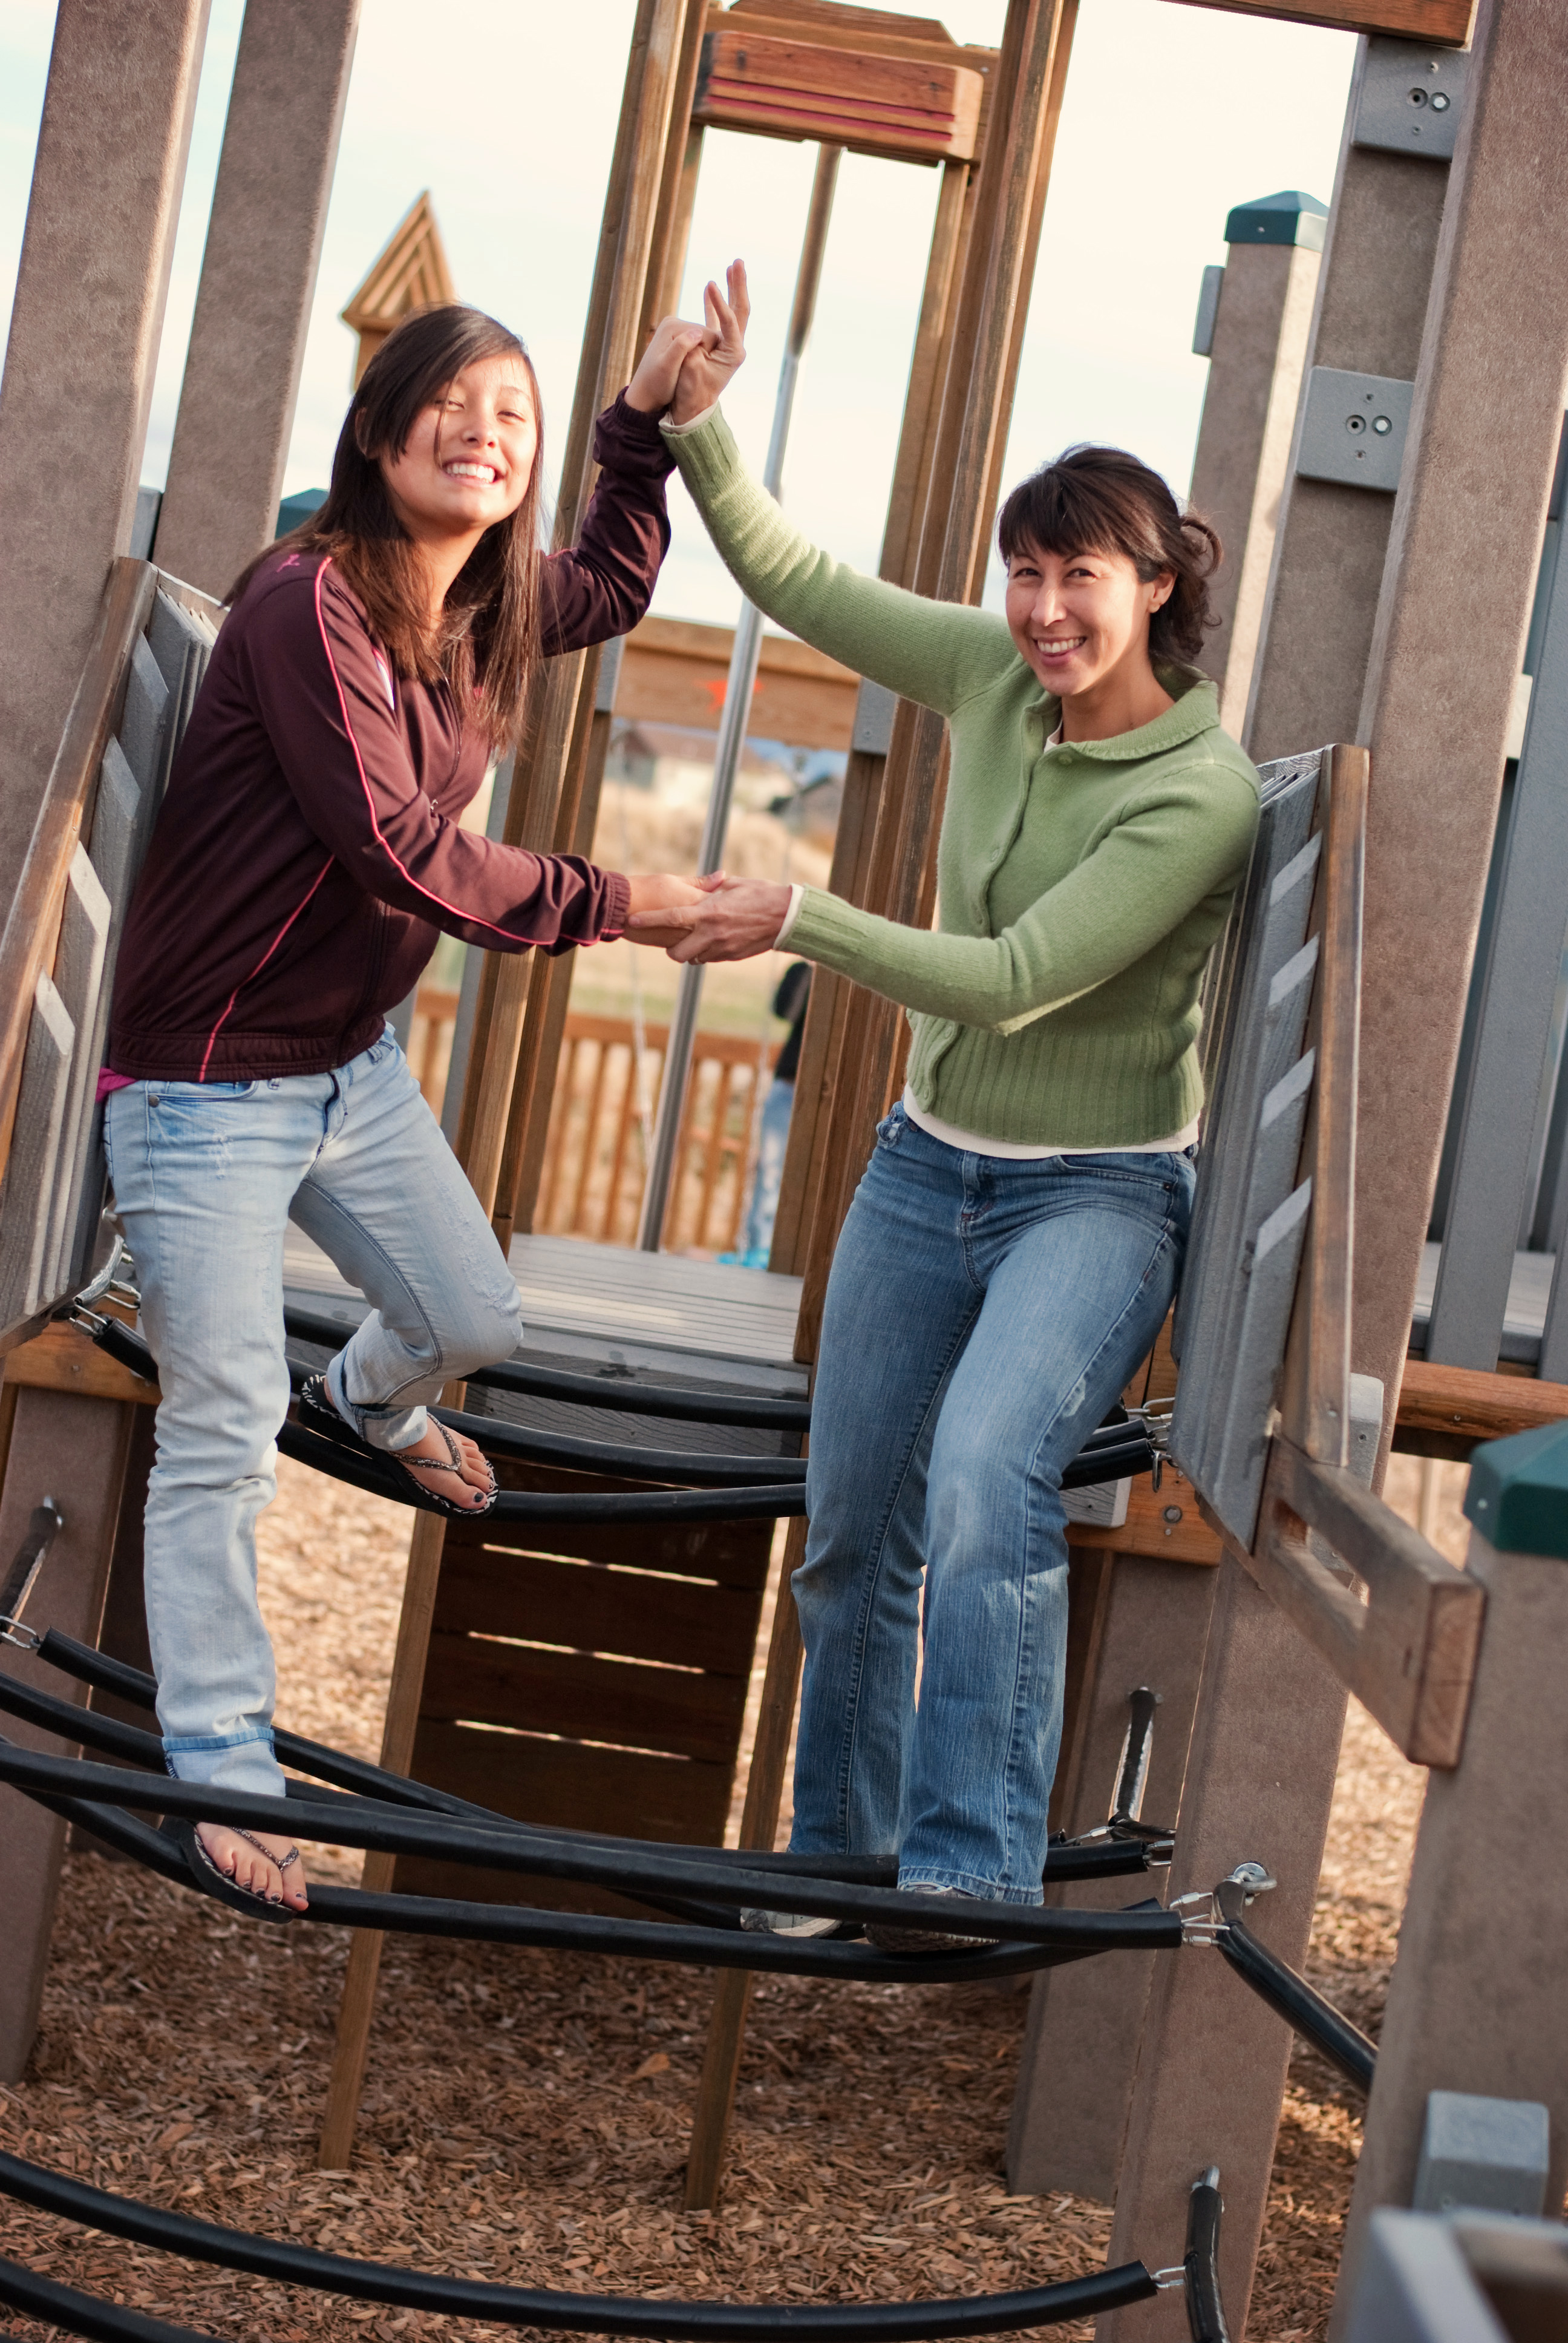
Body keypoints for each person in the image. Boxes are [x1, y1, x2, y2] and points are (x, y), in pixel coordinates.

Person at [630, 266, 1261, 1952]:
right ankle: (839, 1859)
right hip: (926, 1169)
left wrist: (797, 916)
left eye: (1082, 576)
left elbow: (1013, 979)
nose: (1044, 609)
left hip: (1097, 1193)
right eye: (1026, 571)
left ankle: (969, 1873)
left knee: (989, 1474)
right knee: (853, 1530)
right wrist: (699, 422)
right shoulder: (997, 673)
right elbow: (803, 583)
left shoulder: (1198, 795)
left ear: (1157, 585)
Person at [104, 301, 709, 1918]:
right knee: (221, 1424)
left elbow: (614, 580)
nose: (483, 430)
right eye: (450, 402)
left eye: (512, 411)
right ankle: (219, 1774)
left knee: (470, 1317)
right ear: (378, 434)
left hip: (346, 1067)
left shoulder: (474, 617)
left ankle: (369, 1400)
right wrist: (630, 901)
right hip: (205, 1086)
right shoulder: (312, 605)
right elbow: (397, 850)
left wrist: (638, 427)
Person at [730, 959, 810, 1266]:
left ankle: (785, 1254)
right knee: (770, 1171)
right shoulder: (807, 972)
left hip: (821, 1096)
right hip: (789, 1088)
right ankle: (758, 1250)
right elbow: (785, 1009)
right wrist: (810, 967)